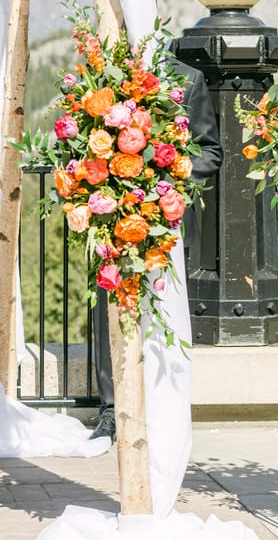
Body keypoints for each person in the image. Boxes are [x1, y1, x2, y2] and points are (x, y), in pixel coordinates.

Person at [88, 56, 220, 441]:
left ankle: (165, 406)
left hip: (167, 227)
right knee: (109, 316)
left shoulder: (189, 79)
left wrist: (166, 171)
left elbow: (211, 152)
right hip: (114, 221)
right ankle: (111, 409)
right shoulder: (103, 77)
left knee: (165, 319)